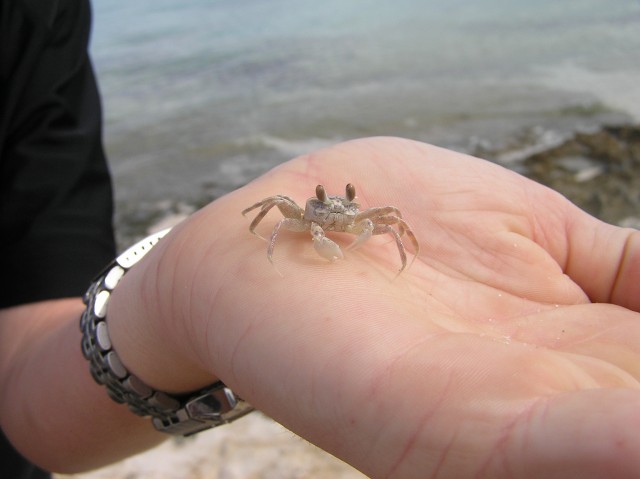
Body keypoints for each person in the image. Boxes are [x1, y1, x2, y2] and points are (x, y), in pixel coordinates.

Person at [2, 2, 640, 479]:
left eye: (344, 208)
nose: (338, 216)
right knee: (284, 225)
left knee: (385, 223)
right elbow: (270, 216)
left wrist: (172, 309)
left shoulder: (39, 19)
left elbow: (26, 375)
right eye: (328, 209)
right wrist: (215, 262)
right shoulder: (301, 215)